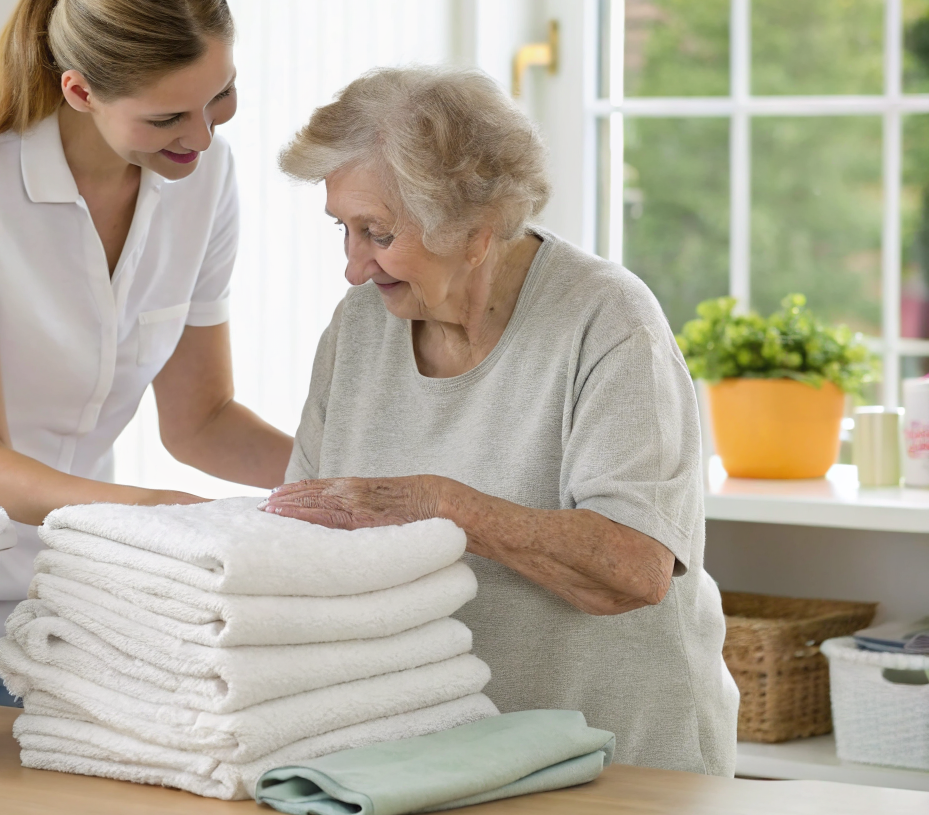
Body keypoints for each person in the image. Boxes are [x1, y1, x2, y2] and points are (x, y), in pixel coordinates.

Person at [261, 66, 739, 774]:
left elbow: (633, 569)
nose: (354, 267)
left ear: (475, 231)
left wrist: (444, 506)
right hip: (433, 768)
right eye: (344, 229)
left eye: (377, 233)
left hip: (618, 764)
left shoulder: (606, 320)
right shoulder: (359, 328)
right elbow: (309, 540)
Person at [0, 0, 292, 697]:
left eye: (218, 97)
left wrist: (349, 483)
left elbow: (201, 421)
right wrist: (164, 517)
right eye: (166, 116)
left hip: (63, 595)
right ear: (81, 92)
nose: (201, 135)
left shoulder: (200, 175)